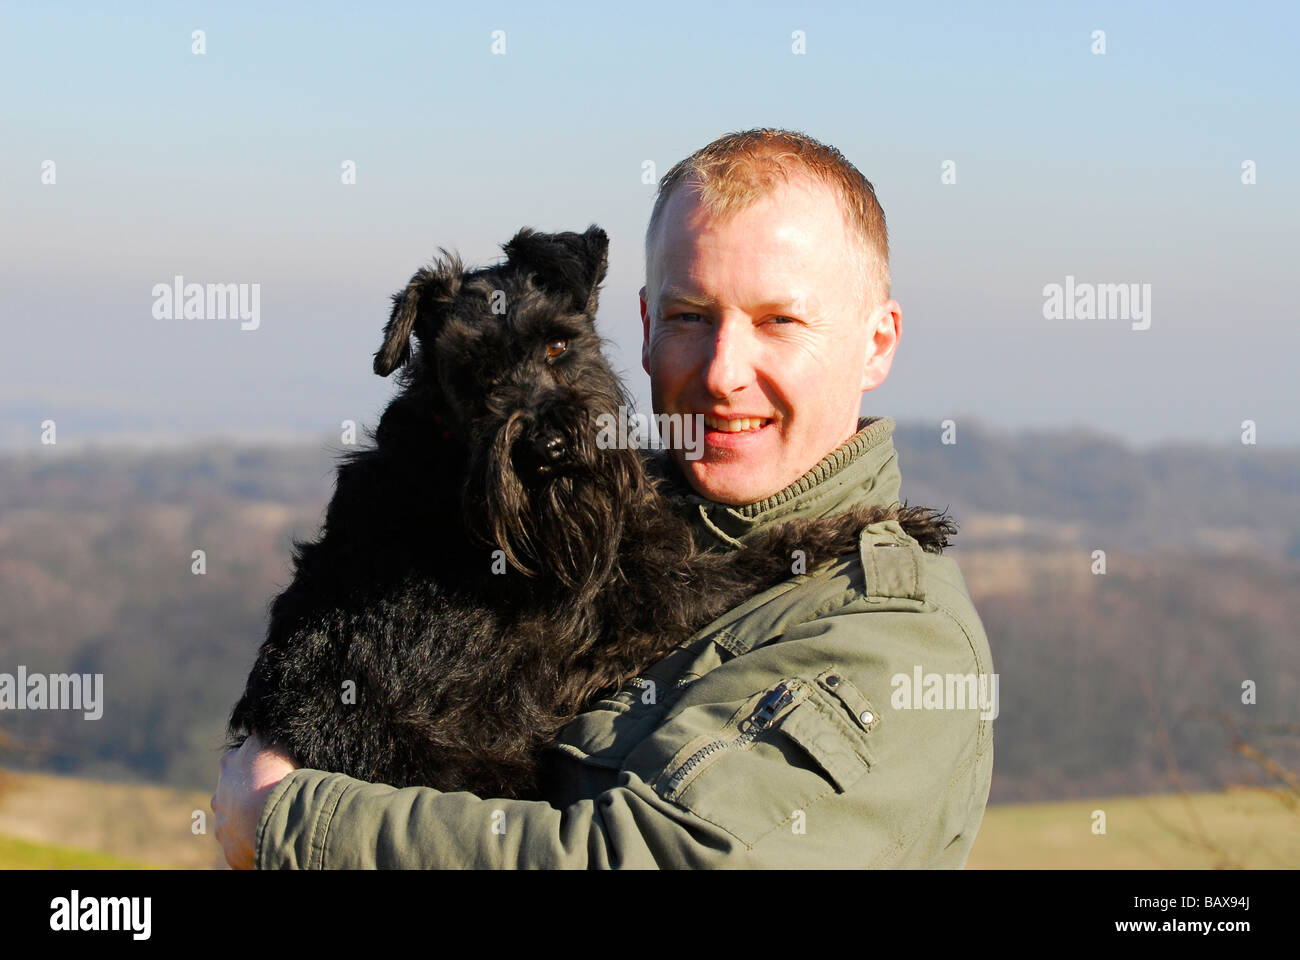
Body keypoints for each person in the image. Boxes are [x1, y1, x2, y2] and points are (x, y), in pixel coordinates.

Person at [212, 127, 994, 869]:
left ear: (878, 343)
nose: (723, 373)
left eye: (778, 321)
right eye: (692, 317)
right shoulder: (557, 515)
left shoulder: (897, 637)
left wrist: (290, 821)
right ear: (646, 329)